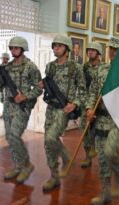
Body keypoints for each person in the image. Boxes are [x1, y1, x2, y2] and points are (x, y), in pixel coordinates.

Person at [38, 34, 86, 192]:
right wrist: (42, 85)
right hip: (50, 108)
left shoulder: (75, 68)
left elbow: (84, 92)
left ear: (67, 49)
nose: (55, 48)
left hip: (64, 110)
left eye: (59, 45)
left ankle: (66, 157)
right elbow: (49, 86)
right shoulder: (50, 67)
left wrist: (75, 104)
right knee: (48, 143)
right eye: (54, 45)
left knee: (52, 137)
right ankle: (54, 177)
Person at [86, 37, 119, 205]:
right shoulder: (101, 70)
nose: (113, 52)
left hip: (118, 120)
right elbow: (93, 92)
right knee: (102, 158)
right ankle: (105, 193)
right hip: (100, 119)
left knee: (110, 152)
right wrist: (89, 108)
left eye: (116, 50)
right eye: (111, 49)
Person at [2, 36, 42, 184]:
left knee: (14, 135)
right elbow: (4, 86)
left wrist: (25, 97)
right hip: (8, 105)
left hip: (21, 107)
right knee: (9, 137)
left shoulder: (31, 67)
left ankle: (27, 165)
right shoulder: (8, 67)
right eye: (11, 48)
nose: (13, 50)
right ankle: (17, 166)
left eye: (16, 48)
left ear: (23, 49)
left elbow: (39, 88)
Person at [80, 42, 104, 168]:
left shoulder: (104, 68)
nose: (90, 52)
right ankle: (87, 156)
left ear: (99, 53)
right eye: (88, 50)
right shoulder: (84, 67)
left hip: (101, 104)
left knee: (100, 131)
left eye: (93, 50)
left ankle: (103, 160)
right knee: (85, 130)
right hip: (87, 103)